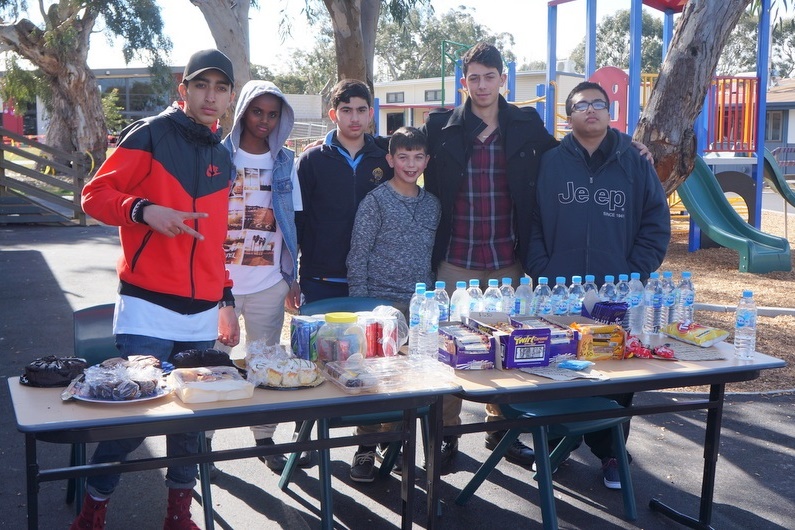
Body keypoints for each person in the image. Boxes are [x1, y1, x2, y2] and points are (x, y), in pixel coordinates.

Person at [72, 49, 239, 530]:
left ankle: (178, 516)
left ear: (228, 97)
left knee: (190, 423)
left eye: (220, 87)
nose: (211, 96)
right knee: (136, 421)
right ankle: (91, 513)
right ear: (183, 89)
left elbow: (216, 241)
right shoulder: (148, 133)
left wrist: (225, 299)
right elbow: (93, 196)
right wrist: (144, 210)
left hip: (201, 313)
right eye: (201, 85)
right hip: (146, 309)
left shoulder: (221, 154)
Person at [420, 42, 556, 469]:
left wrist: (629, 146)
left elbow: (568, 155)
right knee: (448, 351)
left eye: (489, 76)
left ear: (503, 79)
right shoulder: (439, 125)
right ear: (465, 82)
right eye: (474, 77)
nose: (482, 85)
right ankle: (446, 434)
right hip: (454, 258)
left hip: (507, 260)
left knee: (509, 349)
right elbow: (396, 155)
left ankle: (502, 430)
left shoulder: (527, 123)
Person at [527, 81, 670, 489]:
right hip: (559, 291)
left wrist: (632, 273)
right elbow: (533, 221)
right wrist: (543, 268)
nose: (590, 110)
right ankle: (554, 448)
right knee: (557, 368)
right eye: (581, 105)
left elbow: (656, 223)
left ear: (610, 113)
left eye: (598, 104)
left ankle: (611, 453)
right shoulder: (551, 162)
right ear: (568, 115)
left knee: (616, 376)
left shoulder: (633, 161)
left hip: (616, 293)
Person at [208, 80, 310, 473]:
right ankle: (204, 445)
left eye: (272, 114)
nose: (264, 121)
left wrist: (292, 276)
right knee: (214, 367)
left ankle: (264, 440)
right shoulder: (217, 156)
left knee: (265, 367)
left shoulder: (286, 162)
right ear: (243, 112)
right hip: (221, 286)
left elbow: (291, 224)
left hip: (269, 281)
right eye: (257, 112)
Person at [345, 126, 440, 482]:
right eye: (403, 157)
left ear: (427, 161)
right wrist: (362, 309)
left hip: (418, 310)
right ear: (390, 160)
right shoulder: (375, 202)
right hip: (379, 308)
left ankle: (396, 446)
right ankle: (366, 449)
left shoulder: (433, 205)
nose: (410, 164)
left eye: (418, 157)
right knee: (375, 385)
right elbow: (358, 257)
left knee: (409, 385)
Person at [295, 79, 393, 304]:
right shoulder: (312, 160)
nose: (355, 118)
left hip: (372, 279)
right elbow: (297, 222)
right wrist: (292, 277)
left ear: (370, 113)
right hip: (320, 279)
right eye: (346, 110)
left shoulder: (386, 158)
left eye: (361, 110)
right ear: (333, 114)